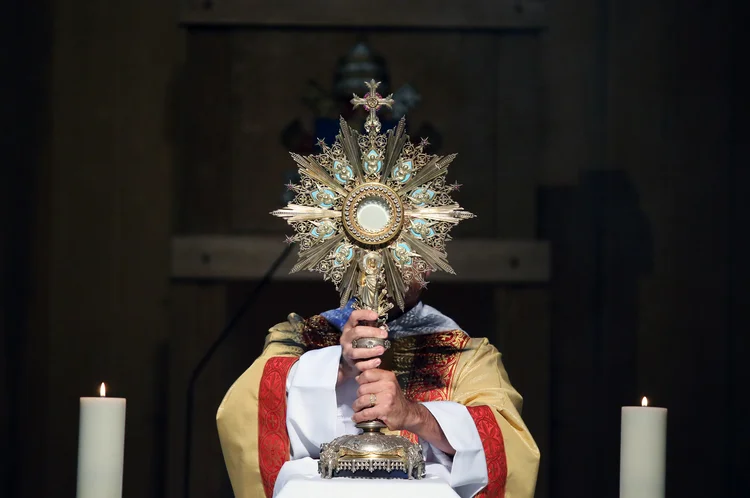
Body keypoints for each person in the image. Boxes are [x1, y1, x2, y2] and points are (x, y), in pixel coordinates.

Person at [216, 283, 540, 498]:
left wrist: (415, 415)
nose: (382, 254)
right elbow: (245, 410)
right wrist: (337, 367)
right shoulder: (299, 339)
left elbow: (507, 442)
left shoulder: (466, 354)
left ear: (428, 262)